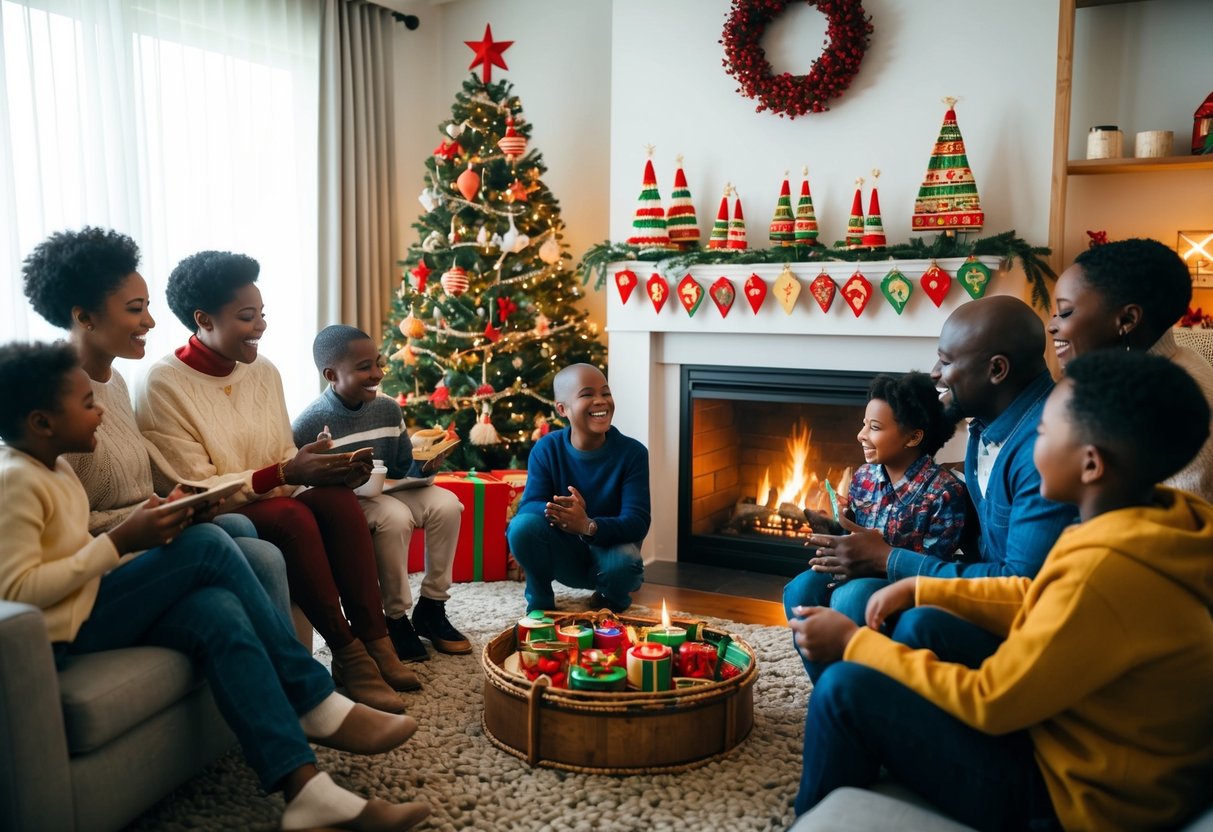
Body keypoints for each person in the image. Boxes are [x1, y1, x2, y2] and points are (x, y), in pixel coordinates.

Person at [0, 342, 430, 832]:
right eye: (85, 404)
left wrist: (161, 510)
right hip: (63, 635)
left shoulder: (50, 466)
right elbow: (19, 590)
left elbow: (66, 549)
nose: (100, 411)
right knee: (206, 544)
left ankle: (306, 790)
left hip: (88, 605)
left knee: (216, 609)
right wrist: (119, 543)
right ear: (40, 422)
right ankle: (310, 697)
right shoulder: (15, 481)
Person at [788, 350, 1213, 830]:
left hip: (1075, 798)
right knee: (920, 628)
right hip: (1083, 747)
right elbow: (1038, 600)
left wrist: (853, 643)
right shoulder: (1156, 520)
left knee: (845, 689)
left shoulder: (1104, 571)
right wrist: (923, 589)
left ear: (1091, 464)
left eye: (1045, 434)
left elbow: (989, 701)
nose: (1030, 449)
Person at [135, 250, 418, 713]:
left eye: (261, 314)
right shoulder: (162, 383)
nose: (261, 327)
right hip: (217, 512)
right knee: (291, 514)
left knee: (337, 501)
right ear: (203, 319)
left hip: (270, 494)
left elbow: (282, 456)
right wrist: (286, 473)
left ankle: (376, 641)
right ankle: (348, 655)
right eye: (247, 317)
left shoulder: (263, 371)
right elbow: (193, 487)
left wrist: (324, 468)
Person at [784, 296, 1079, 659]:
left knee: (867, 603)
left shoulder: (1046, 446)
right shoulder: (985, 427)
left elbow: (1021, 589)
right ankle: (850, 701)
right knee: (801, 591)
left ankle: (860, 696)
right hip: (978, 580)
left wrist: (887, 559)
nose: (935, 373)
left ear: (997, 370)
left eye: (947, 360)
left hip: (1022, 617)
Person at [20, 227, 291, 620]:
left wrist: (179, 503)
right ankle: (299, 678)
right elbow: (65, 525)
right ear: (84, 317)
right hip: (108, 555)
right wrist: (145, 520)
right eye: (135, 309)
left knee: (240, 527)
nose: (149, 321)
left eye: (147, 307)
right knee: (256, 551)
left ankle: (289, 672)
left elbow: (135, 483)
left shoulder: (115, 383)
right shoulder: (54, 403)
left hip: (141, 529)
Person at [292, 325, 469, 662]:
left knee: (448, 504)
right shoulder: (310, 423)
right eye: (364, 367)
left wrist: (427, 466)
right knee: (394, 517)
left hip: (390, 489)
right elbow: (303, 483)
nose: (377, 373)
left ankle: (432, 607)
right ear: (331, 374)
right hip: (351, 502)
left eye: (378, 363)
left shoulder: (388, 409)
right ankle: (395, 617)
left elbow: (402, 468)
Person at [785, 371, 967, 680]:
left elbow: (935, 570)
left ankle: (857, 685)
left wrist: (880, 558)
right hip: (855, 571)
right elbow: (853, 535)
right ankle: (828, 683)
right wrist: (836, 526)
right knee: (799, 589)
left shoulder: (944, 492)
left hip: (903, 586)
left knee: (851, 597)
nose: (861, 435)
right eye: (864, 424)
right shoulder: (864, 477)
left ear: (913, 437)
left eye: (875, 427)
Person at [1049, 237, 1213, 500]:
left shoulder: (1170, 403)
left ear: (1126, 320)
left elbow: (1172, 527)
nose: (1052, 326)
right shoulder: (1142, 378)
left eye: (1065, 312)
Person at [507, 363, 650, 613]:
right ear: (562, 409)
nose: (600, 401)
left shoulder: (633, 453)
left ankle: (610, 600)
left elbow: (637, 521)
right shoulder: (546, 449)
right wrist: (565, 512)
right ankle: (540, 599)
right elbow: (529, 505)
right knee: (520, 527)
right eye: (587, 394)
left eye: (605, 393)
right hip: (565, 554)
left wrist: (587, 524)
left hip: (609, 556)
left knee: (625, 562)